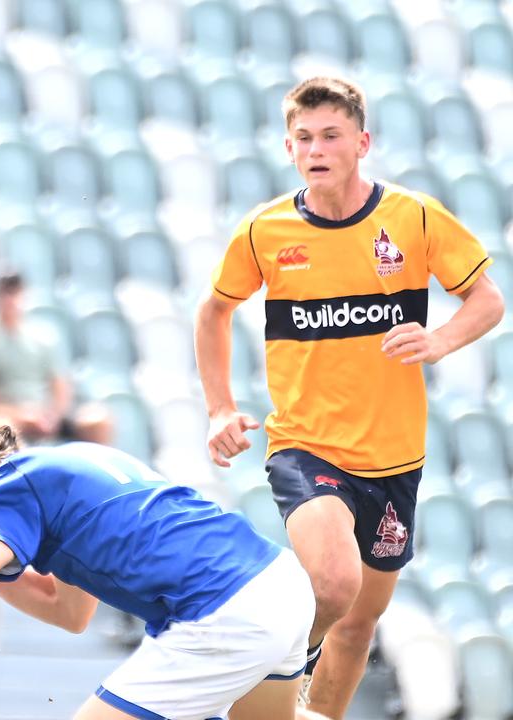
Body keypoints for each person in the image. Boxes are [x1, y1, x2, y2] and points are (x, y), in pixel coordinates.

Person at [193, 76, 504, 718]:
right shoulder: (265, 230)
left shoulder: (412, 218)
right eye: (303, 138)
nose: (317, 148)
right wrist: (220, 406)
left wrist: (440, 341)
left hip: (395, 460)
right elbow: (213, 313)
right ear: (288, 148)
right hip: (307, 447)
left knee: (359, 625)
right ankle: (251, 684)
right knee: (334, 583)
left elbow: (487, 300)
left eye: (331, 135)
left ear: (361, 142)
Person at [0, 427, 328, 720]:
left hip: (224, 612)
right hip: (280, 584)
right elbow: (71, 613)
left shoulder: (2, 494)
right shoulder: (69, 468)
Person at [0, 271, 112, 445]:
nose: (10, 299)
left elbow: (61, 386)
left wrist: (53, 415)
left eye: (15, 292)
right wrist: (21, 413)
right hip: (8, 412)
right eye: (5, 292)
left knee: (97, 421)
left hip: (45, 413)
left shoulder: (44, 336)